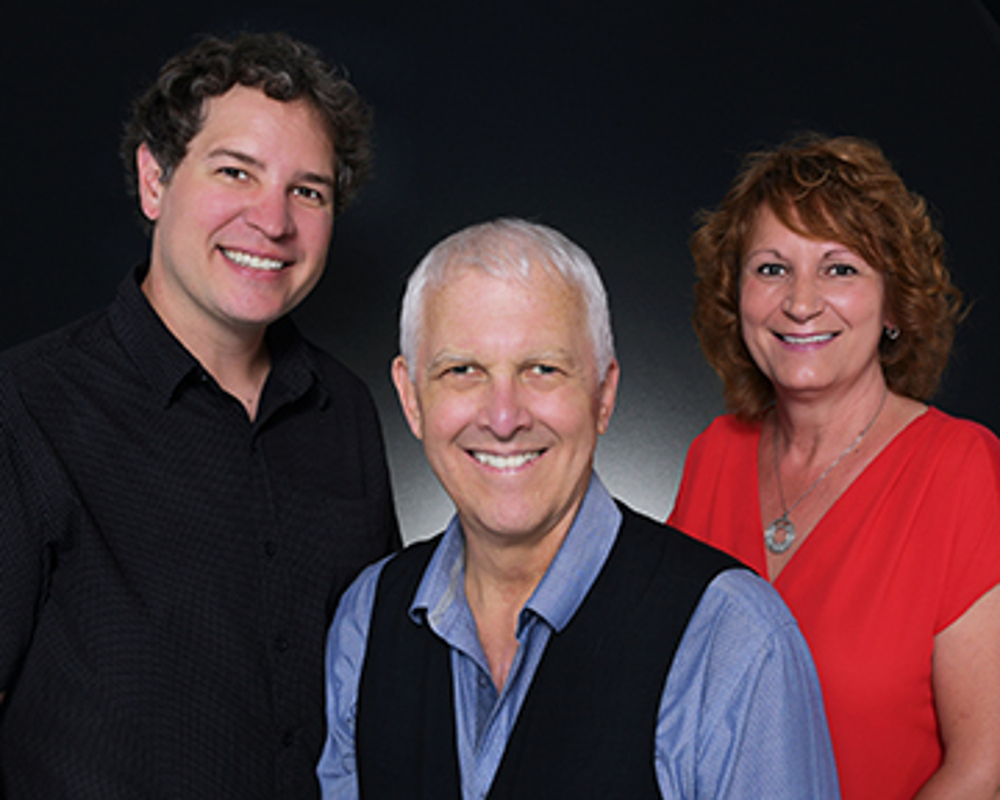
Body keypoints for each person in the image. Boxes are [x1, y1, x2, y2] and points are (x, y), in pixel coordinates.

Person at [0, 32, 399, 799]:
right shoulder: (25, 407)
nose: (273, 221)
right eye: (235, 172)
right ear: (155, 180)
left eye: (308, 191)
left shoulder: (345, 411)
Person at [317, 218, 839, 799]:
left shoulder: (733, 640)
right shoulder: (366, 619)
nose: (503, 417)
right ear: (412, 398)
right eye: (463, 371)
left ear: (603, 395)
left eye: (543, 369)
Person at [668, 133, 1000, 798]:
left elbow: (984, 768)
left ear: (895, 303)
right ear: (736, 296)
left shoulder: (961, 468)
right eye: (771, 269)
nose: (800, 302)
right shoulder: (714, 454)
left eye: (839, 269)